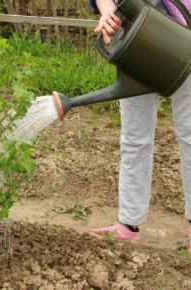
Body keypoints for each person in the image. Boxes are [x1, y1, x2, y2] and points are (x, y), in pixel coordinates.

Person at [85, 0, 191, 249]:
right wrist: (108, 11)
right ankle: (128, 225)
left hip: (183, 34)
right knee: (134, 137)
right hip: (136, 35)